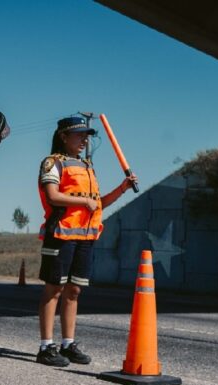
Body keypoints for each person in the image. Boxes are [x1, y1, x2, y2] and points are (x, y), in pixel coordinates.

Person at [36, 116, 138, 366]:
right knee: (54, 290)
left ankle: (68, 344)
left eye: (86, 135)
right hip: (60, 234)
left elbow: (98, 203)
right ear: (63, 136)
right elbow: (53, 196)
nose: (84, 139)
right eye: (79, 134)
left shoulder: (87, 166)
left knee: (74, 291)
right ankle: (46, 347)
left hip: (85, 236)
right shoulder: (52, 163)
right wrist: (83, 202)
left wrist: (122, 188)